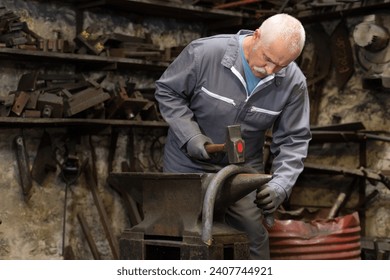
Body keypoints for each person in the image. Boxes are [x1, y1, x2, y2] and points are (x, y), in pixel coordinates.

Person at [154, 13, 311, 259]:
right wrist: (190, 136)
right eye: (267, 59)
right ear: (256, 34)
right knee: (178, 237)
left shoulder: (294, 83)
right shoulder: (204, 54)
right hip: (186, 162)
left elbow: (294, 140)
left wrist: (281, 184)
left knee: (253, 239)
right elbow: (167, 91)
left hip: (242, 169)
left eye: (281, 65)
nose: (270, 70)